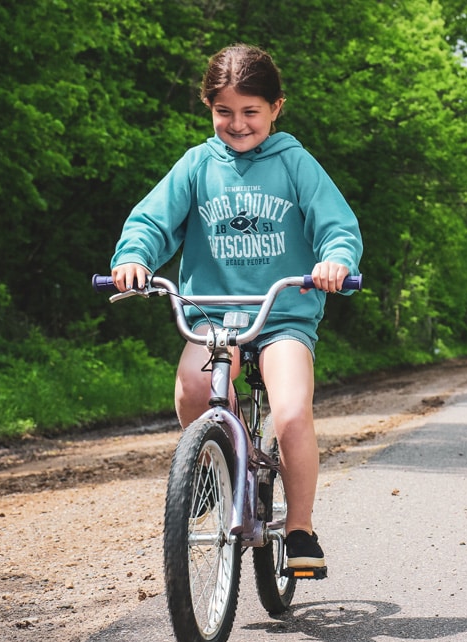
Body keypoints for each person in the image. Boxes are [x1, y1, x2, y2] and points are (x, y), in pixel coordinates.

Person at [109, 44, 362, 574]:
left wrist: (335, 260)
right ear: (208, 107)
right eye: (224, 111)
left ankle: (299, 527)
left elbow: (336, 226)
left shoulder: (295, 162)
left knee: (291, 411)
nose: (237, 123)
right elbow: (152, 222)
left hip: (281, 316)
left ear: (276, 108)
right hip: (213, 314)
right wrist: (134, 257)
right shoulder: (198, 165)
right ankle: (218, 465)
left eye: (251, 111)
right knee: (192, 387)